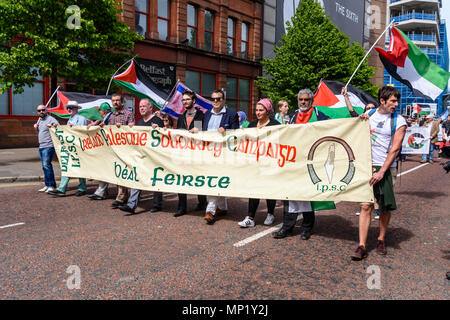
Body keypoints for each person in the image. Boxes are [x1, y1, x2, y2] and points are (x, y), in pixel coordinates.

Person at [351, 86, 407, 260]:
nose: (396, 104)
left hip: (386, 167)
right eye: (392, 101)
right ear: (382, 101)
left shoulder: (399, 121)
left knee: (384, 206)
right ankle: (361, 245)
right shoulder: (370, 115)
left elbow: (395, 149)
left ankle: (381, 239)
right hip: (367, 166)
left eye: (396, 101)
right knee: (365, 205)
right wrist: (359, 121)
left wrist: (382, 171)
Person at [272, 89, 333, 240]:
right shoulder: (293, 116)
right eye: (301, 100)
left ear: (311, 101)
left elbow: (330, 130)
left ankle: (306, 228)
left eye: (306, 100)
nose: (303, 102)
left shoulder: (320, 116)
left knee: (307, 195)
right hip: (294, 160)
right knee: (290, 194)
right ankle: (287, 227)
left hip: (311, 160)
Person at [238, 99, 279, 228]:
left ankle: (271, 213)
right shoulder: (252, 124)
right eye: (256, 110)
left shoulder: (275, 124)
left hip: (269, 162)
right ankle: (250, 217)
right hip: (254, 163)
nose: (258, 112)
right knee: (254, 189)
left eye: (261, 110)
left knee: (269, 188)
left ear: (267, 111)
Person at [118, 98, 164, 214]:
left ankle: (157, 204)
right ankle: (131, 204)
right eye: (140, 107)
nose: (142, 108)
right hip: (142, 156)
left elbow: (164, 137)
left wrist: (158, 130)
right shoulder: (139, 123)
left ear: (150, 108)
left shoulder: (157, 120)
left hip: (154, 156)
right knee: (137, 177)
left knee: (155, 179)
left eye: (144, 106)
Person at [202, 89, 239, 224]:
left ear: (223, 100)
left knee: (213, 180)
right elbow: (200, 130)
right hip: (207, 154)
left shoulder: (231, 115)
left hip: (222, 155)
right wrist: (195, 129)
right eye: (213, 99)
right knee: (215, 179)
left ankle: (210, 211)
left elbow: (236, 135)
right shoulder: (206, 114)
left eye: (218, 99)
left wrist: (227, 132)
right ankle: (222, 207)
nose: (216, 101)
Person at [172, 90, 208, 217]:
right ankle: (182, 207)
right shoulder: (181, 117)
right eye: (183, 100)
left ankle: (202, 202)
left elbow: (200, 131)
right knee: (181, 178)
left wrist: (198, 130)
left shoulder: (200, 116)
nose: (185, 102)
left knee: (198, 178)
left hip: (197, 153)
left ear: (193, 101)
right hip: (183, 153)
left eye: (187, 99)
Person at [48, 101, 88, 197]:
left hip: (79, 148)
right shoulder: (70, 119)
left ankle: (82, 188)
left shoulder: (81, 119)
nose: (69, 109)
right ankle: (62, 189)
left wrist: (73, 128)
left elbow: (82, 132)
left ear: (76, 109)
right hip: (71, 148)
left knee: (80, 168)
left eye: (71, 107)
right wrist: (57, 128)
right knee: (67, 166)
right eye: (68, 108)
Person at [107, 93, 135, 208]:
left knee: (123, 172)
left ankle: (121, 197)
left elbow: (131, 128)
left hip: (126, 149)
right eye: (113, 101)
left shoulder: (128, 114)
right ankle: (122, 195)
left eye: (117, 100)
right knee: (118, 172)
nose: (115, 102)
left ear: (122, 102)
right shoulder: (111, 115)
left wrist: (123, 128)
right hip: (114, 149)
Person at [87, 102, 113, 200]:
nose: (99, 112)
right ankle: (102, 192)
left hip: (110, 149)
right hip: (106, 149)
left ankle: (101, 192)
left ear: (105, 111)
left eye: (100, 110)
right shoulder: (104, 119)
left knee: (105, 169)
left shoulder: (109, 119)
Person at [34, 104, 59, 193]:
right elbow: (41, 132)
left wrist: (53, 126)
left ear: (46, 110)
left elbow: (58, 128)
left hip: (49, 146)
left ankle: (52, 186)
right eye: (39, 111)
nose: (41, 112)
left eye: (43, 110)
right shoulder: (40, 120)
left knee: (47, 165)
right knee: (44, 167)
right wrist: (36, 128)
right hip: (41, 146)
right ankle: (47, 185)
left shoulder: (51, 119)